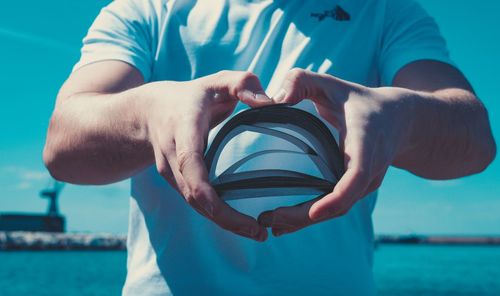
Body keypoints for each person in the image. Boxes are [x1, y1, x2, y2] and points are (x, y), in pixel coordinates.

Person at [43, 0, 496, 295]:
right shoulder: (145, 10)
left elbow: (476, 140)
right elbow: (63, 145)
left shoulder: (386, 13)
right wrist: (149, 110)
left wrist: (400, 115)